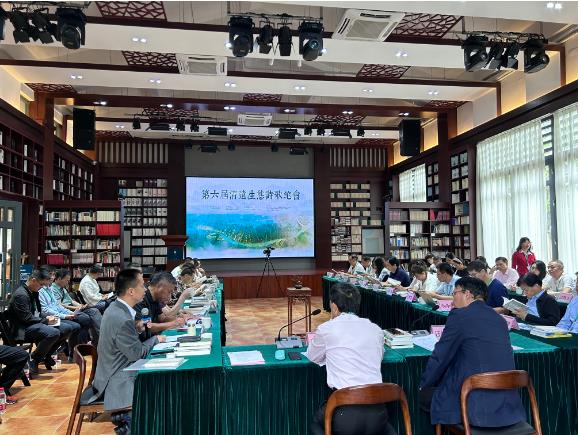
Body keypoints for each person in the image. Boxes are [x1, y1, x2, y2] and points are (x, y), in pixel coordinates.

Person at [419, 277, 527, 429]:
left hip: (472, 404)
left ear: (467, 294)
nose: (452, 299)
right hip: (507, 407)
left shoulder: (459, 316)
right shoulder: (500, 320)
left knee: (424, 397)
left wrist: (424, 384)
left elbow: (440, 357)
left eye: (454, 293)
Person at [307, 283, 394, 435]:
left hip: (345, 415)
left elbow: (312, 356)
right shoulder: (376, 329)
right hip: (378, 414)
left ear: (334, 307)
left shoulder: (327, 329)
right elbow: (379, 355)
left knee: (315, 425)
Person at [90, 268, 163, 433]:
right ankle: (128, 424)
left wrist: (136, 329)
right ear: (131, 291)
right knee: (159, 386)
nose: (145, 289)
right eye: (142, 285)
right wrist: (156, 339)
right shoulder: (121, 317)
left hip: (112, 370)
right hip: (115, 379)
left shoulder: (117, 308)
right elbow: (136, 353)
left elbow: (121, 341)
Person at [7, 268, 78, 375]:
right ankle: (35, 358)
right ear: (33, 280)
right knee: (53, 333)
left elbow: (37, 312)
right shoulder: (21, 295)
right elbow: (26, 318)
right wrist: (46, 320)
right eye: (41, 285)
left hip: (32, 324)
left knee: (66, 328)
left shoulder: (32, 291)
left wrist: (46, 319)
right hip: (21, 329)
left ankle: (46, 355)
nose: (41, 288)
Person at [39, 274, 92, 363]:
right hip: (49, 317)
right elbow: (45, 310)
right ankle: (70, 351)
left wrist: (70, 313)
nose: (53, 278)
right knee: (77, 324)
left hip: (60, 314)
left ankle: (76, 351)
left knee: (85, 318)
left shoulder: (50, 289)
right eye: (51, 275)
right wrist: (65, 315)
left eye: (53, 275)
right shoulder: (42, 290)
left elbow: (58, 306)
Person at [51, 268, 102, 344]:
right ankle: (84, 343)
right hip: (65, 311)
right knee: (86, 319)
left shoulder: (62, 288)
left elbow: (71, 301)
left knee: (94, 311)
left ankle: (98, 339)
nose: (68, 282)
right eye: (66, 280)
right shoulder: (53, 289)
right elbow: (59, 305)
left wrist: (80, 305)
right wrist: (76, 307)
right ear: (59, 279)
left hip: (73, 308)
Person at [134, 272, 186, 340]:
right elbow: (143, 326)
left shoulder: (156, 297)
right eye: (169, 292)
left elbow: (162, 319)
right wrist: (172, 324)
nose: (170, 297)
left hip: (153, 338)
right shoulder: (141, 298)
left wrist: (179, 319)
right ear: (159, 287)